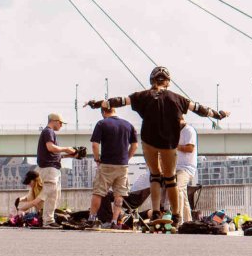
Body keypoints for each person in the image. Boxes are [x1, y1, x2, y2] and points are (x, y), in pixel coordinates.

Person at [87, 66, 229, 227]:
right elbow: (200, 109)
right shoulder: (177, 98)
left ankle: (155, 211)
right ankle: (176, 216)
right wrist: (218, 115)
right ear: (167, 82)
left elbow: (118, 101)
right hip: (167, 142)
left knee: (155, 176)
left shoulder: (142, 96)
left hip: (149, 141)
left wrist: (96, 104)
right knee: (170, 180)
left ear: (151, 81)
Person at [84, 107, 138, 229]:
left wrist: (97, 159)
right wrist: (127, 158)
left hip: (107, 164)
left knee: (98, 192)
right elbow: (135, 145)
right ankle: (114, 221)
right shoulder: (128, 125)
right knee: (119, 195)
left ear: (103, 112)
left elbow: (94, 145)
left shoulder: (102, 123)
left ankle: (92, 218)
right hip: (122, 166)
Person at [36, 113, 77, 228]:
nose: (61, 126)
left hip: (51, 167)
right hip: (49, 169)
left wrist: (70, 155)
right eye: (60, 123)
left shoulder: (48, 132)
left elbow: (52, 154)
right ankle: (48, 221)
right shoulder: (48, 132)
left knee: (54, 195)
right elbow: (51, 148)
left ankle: (46, 218)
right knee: (51, 195)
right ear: (54, 121)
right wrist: (66, 149)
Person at [175, 119, 198, 221]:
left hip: (186, 168)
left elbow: (190, 148)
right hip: (177, 167)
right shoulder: (176, 131)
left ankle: (178, 219)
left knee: (178, 188)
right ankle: (188, 221)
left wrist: (175, 146)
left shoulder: (189, 130)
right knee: (183, 196)